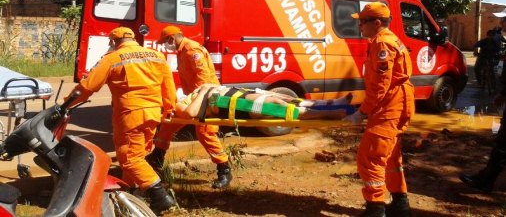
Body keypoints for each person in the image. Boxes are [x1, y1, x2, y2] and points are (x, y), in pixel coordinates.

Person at [65, 27, 177, 215]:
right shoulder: (157, 56)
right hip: (152, 114)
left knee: (130, 159)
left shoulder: (112, 58)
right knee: (139, 155)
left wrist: (65, 105)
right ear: (133, 39)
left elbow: (87, 86)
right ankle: (133, 192)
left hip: (130, 114)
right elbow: (169, 86)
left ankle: (161, 197)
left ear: (113, 42)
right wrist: (169, 108)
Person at [343, 2, 415, 217]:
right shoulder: (389, 40)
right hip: (398, 100)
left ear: (376, 23)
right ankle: (401, 205)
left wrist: (363, 111)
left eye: (362, 22)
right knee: (391, 156)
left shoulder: (383, 44)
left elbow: (379, 85)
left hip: (391, 104)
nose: (360, 27)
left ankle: (375, 209)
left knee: (371, 157)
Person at [146, 25, 232, 189]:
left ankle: (224, 169)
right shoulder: (181, 50)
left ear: (171, 39)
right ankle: (156, 158)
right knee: (168, 125)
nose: (165, 46)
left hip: (207, 97)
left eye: (165, 42)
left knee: (205, 134)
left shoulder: (192, 50)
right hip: (192, 98)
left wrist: (195, 100)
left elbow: (204, 79)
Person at [460, 14, 506, 192]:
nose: (501, 23)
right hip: (486, 61)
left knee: (503, 144)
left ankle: (486, 181)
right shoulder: (496, 37)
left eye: (504, 21)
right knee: (479, 68)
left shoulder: (498, 38)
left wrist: (503, 92)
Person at [172, 83, 353, 120]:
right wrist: (204, 91)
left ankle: (334, 103)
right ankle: (331, 113)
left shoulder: (184, 95)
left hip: (235, 95)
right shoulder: (177, 104)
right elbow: (190, 113)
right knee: (277, 105)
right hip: (231, 105)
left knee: (285, 97)